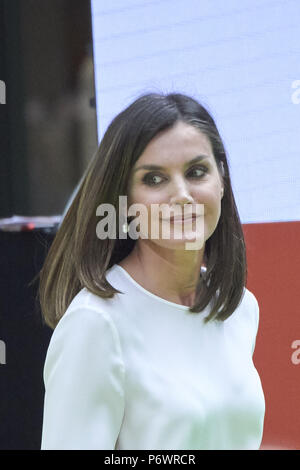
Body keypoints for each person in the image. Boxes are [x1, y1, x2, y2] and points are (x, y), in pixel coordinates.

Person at [38, 92, 265, 450]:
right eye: (154, 180)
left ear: (221, 180)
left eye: (196, 172)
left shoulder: (239, 309)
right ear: (124, 202)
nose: (181, 195)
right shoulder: (96, 324)